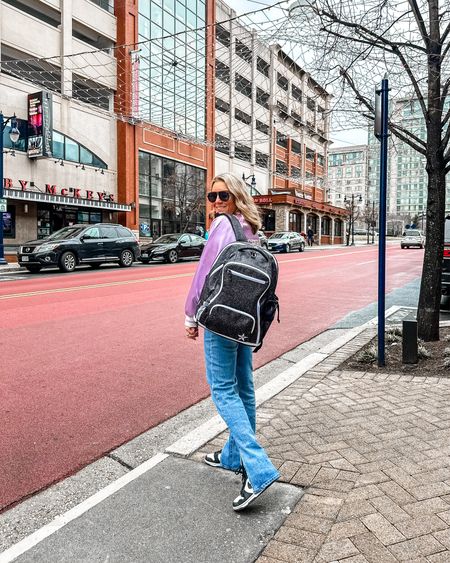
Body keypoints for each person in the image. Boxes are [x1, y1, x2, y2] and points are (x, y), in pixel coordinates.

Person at [184, 173, 280, 511]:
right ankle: (231, 456)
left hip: (220, 318)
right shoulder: (251, 228)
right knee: (245, 388)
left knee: (223, 388)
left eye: (222, 195)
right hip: (246, 321)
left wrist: (190, 314)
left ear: (235, 195)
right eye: (212, 197)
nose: (217, 202)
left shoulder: (222, 227)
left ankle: (257, 469)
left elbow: (204, 273)